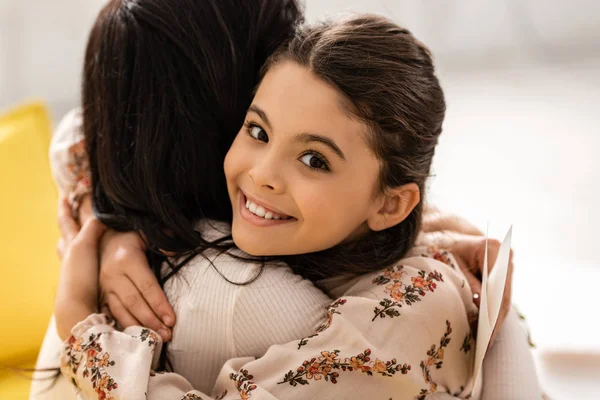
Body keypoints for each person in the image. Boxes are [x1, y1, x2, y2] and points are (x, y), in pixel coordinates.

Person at [32, 1, 541, 399]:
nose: (264, 174)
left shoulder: (386, 317)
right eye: (256, 129)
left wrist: (80, 326)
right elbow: (78, 134)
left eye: (315, 160)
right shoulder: (326, 232)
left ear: (391, 206)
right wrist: (111, 224)